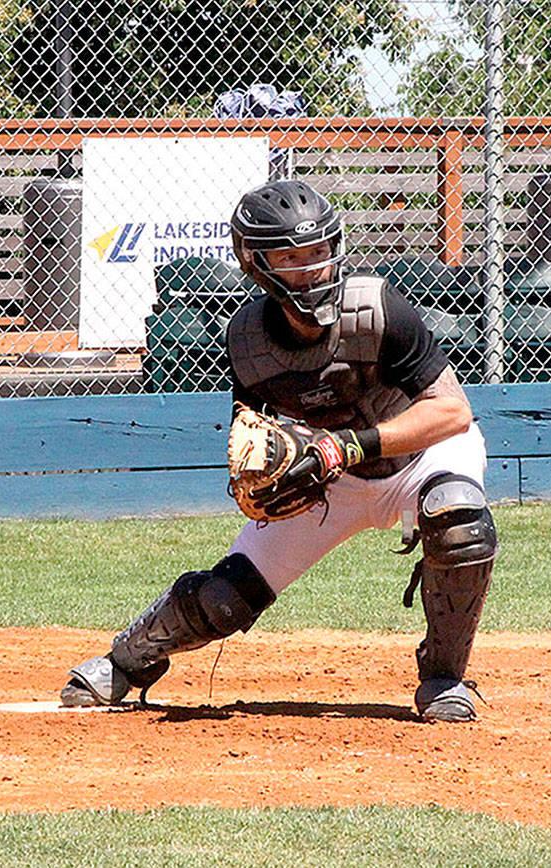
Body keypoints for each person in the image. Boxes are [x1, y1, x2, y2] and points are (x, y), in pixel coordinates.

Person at [61, 179, 496, 722]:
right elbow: (254, 440)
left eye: (319, 252)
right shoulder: (247, 340)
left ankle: (443, 678)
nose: (312, 268)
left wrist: (345, 447)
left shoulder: (377, 307)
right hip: (332, 476)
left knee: (458, 518)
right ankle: (126, 659)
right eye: (291, 257)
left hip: (420, 457)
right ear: (256, 264)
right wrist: (263, 486)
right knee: (226, 596)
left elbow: (452, 411)